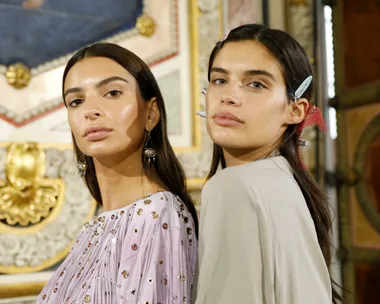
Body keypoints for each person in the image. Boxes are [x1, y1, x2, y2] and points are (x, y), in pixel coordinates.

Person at [36, 43, 198, 303]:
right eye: (76, 101)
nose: (91, 111)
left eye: (112, 93)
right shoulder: (100, 222)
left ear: (151, 113)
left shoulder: (155, 214)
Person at [195, 24, 340, 303]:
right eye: (219, 80)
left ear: (295, 110)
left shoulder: (234, 186)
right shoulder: (285, 182)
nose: (228, 96)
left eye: (256, 84)